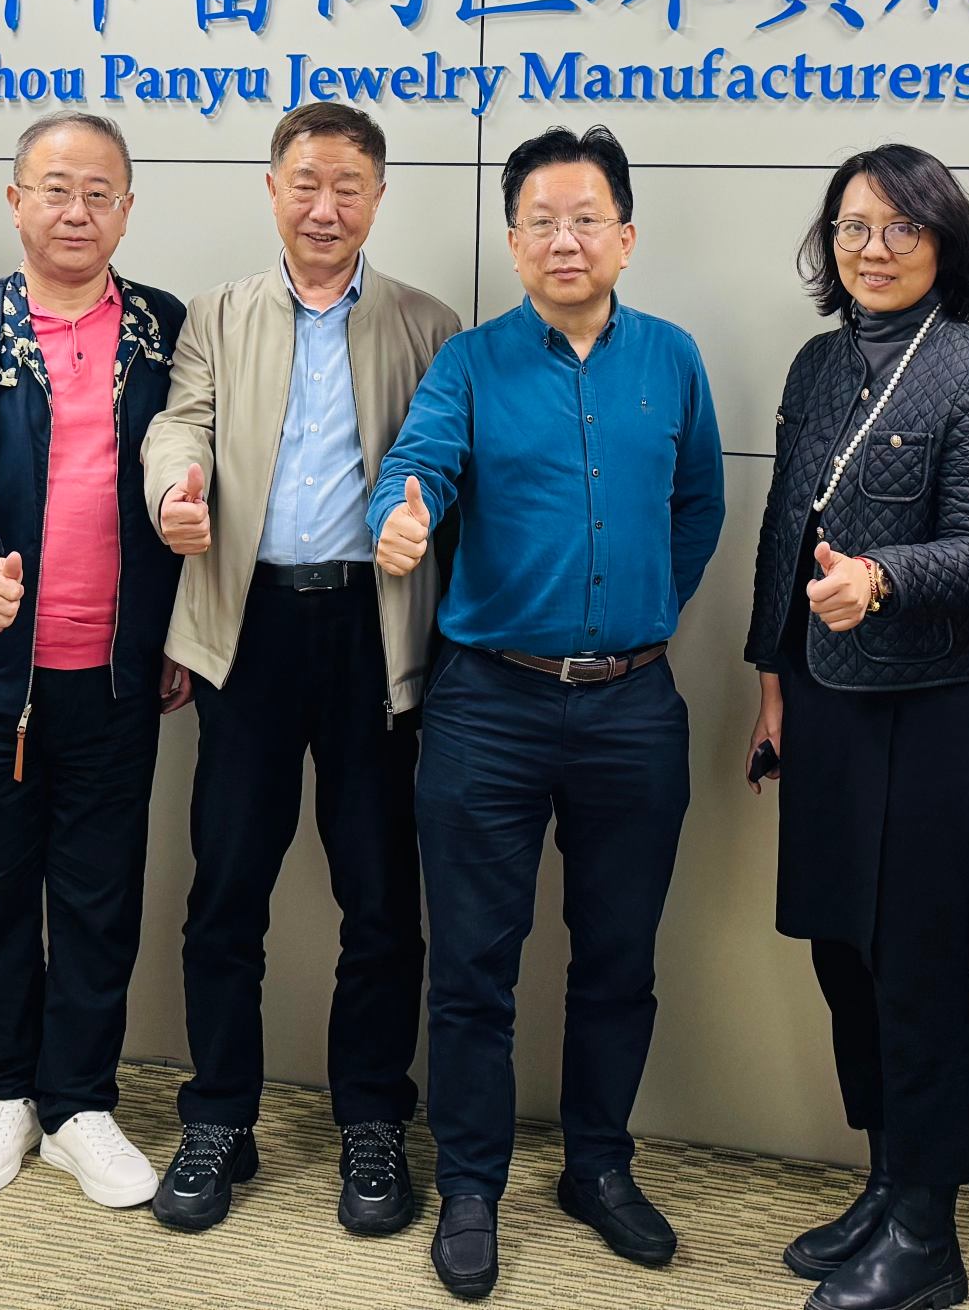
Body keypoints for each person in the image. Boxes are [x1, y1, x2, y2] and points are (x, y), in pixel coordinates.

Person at [368, 125, 727, 1303]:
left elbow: (699, 503)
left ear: (625, 236)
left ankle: (599, 1166)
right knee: (474, 965)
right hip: (491, 706)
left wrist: (644, 606)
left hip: (634, 707)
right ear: (513, 242)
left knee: (619, 958)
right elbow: (416, 467)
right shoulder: (470, 363)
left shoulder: (671, 358)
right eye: (540, 222)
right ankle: (470, 1186)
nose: (564, 240)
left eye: (586, 219)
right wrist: (402, 517)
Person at [138, 101, 463, 1237]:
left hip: (375, 636)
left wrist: (424, 512)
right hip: (251, 629)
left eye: (349, 187)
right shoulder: (217, 315)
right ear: (272, 189)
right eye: (306, 184)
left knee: (381, 898)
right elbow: (180, 426)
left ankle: (372, 1117)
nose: (326, 208)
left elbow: (447, 462)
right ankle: (219, 1116)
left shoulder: (428, 322)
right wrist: (174, 492)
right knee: (226, 888)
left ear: (378, 198)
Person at [745, 147, 969, 1310]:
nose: (874, 249)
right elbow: (784, 525)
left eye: (901, 228)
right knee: (843, 950)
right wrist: (772, 673)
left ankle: (929, 1234)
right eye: (853, 227)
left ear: (944, 241)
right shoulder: (820, 362)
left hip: (939, 705)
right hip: (825, 694)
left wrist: (880, 577)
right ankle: (885, 1182)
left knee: (918, 964)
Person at [0, 112, 188, 1213]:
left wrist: (182, 622)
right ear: (15, 202)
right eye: (55, 189)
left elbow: (198, 457)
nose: (76, 211)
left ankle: (81, 1105)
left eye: (99, 192)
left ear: (127, 209)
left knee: (101, 896)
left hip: (115, 675)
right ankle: (8, 1090)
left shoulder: (163, 330)